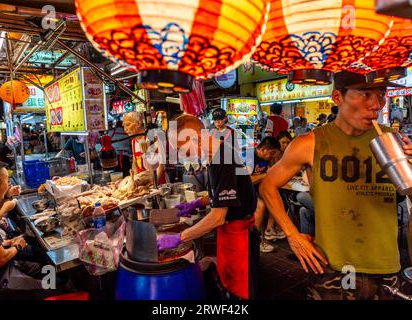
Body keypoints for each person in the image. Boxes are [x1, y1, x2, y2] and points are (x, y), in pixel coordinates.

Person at [260, 70, 412, 300]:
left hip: (385, 266)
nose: (376, 104)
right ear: (337, 97)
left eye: (381, 94)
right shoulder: (310, 143)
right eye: (364, 93)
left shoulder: (395, 141)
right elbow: (268, 185)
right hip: (331, 266)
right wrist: (292, 235)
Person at [159, 115, 259, 299]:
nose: (180, 154)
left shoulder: (222, 158)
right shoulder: (217, 155)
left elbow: (218, 216)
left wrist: (179, 238)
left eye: (180, 148)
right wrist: (198, 202)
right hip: (233, 230)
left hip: (239, 232)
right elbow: (225, 195)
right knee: (232, 285)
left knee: (242, 291)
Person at [0, 160, 69, 299]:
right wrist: (18, 246)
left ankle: (56, 279)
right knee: (56, 287)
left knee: (44, 260)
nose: (9, 185)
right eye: (7, 181)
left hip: (4, 264)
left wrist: (5, 244)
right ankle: (58, 288)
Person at [123, 111, 166, 184]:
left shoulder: (153, 136)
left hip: (157, 182)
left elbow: (162, 163)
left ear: (138, 124)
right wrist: (136, 181)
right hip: (143, 182)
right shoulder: (133, 141)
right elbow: (135, 163)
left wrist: (154, 182)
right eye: (123, 126)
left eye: (127, 125)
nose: (125, 129)